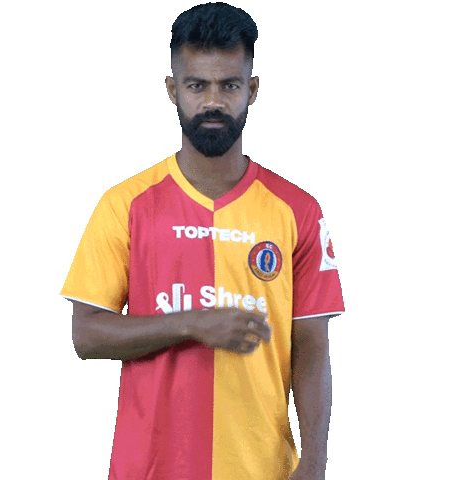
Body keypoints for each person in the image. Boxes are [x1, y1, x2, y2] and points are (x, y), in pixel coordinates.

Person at [60, 3, 345, 479]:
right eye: (197, 85)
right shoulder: (123, 203)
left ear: (251, 90)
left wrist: (315, 460)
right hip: (149, 469)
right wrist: (192, 323)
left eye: (229, 85)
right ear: (173, 90)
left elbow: (312, 346)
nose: (213, 101)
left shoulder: (298, 209)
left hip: (264, 470)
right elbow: (86, 336)